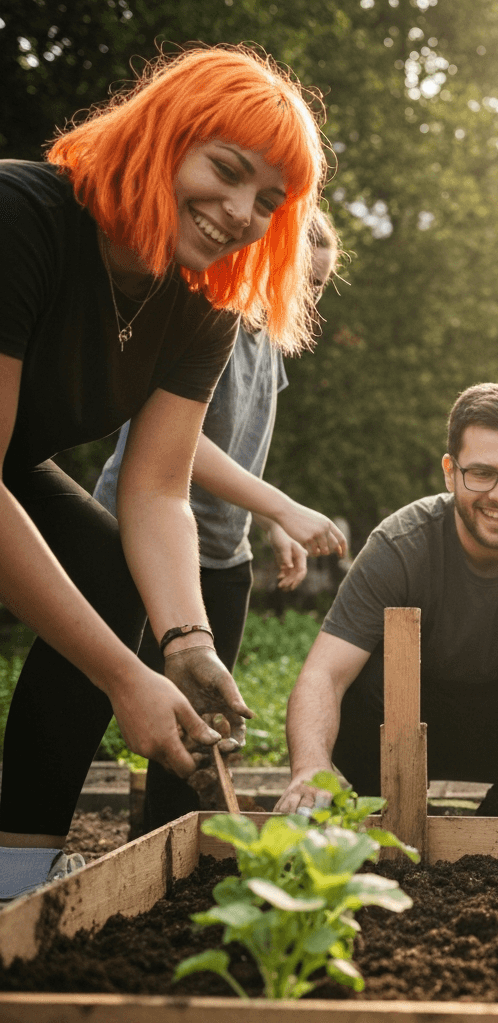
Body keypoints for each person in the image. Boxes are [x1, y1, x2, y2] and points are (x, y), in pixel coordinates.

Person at [0, 45, 327, 899]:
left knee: (108, 564)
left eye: (268, 201)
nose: (239, 212)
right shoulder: (22, 217)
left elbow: (156, 488)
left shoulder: (200, 303)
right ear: (165, 132)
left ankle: (13, 876)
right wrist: (121, 677)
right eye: (226, 169)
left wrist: (184, 643)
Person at [92, 209, 345, 832]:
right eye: (299, 280)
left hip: (223, 556)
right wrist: (282, 505)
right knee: (92, 695)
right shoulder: (205, 316)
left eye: (316, 287)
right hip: (137, 535)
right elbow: (181, 444)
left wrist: (270, 522)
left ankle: (163, 848)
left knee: (204, 715)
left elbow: (251, 438)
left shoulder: (267, 343)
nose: (306, 298)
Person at [275, 381, 498, 818]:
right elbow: (324, 675)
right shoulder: (399, 543)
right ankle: (394, 809)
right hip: (401, 720)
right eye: (481, 473)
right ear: (450, 471)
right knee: (358, 684)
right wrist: (310, 768)